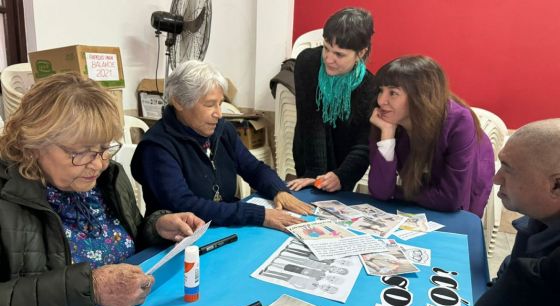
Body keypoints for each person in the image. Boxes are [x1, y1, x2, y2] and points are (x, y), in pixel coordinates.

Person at [0, 73, 205, 306]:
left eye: (104, 148)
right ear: (32, 144)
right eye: (81, 152)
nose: (98, 164)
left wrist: (156, 227)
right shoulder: (7, 199)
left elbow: (127, 239)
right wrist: (91, 288)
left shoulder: (109, 177)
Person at [131, 60, 313, 232]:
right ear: (179, 101)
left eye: (220, 103)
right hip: (180, 241)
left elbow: (254, 168)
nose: (218, 113)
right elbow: (185, 205)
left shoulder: (223, 130)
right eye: (210, 105)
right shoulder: (156, 148)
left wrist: (279, 190)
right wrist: (257, 214)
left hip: (223, 227)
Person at [368, 55, 494, 217]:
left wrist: (397, 192)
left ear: (420, 96)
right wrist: (387, 134)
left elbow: (451, 200)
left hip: (473, 164)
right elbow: (380, 191)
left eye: (393, 93)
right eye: (381, 91)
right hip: (422, 177)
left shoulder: (459, 122)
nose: (381, 101)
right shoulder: (385, 119)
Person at [471, 119, 560, 306]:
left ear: (556, 185)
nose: (496, 179)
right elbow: (507, 273)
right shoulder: (537, 220)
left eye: (508, 169)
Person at [288, 7, 377, 192]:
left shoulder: (370, 87)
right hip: (309, 156)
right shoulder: (307, 63)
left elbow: (363, 144)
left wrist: (341, 176)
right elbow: (310, 122)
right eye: (327, 48)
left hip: (345, 166)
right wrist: (314, 175)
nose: (329, 59)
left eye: (339, 54)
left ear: (361, 53)